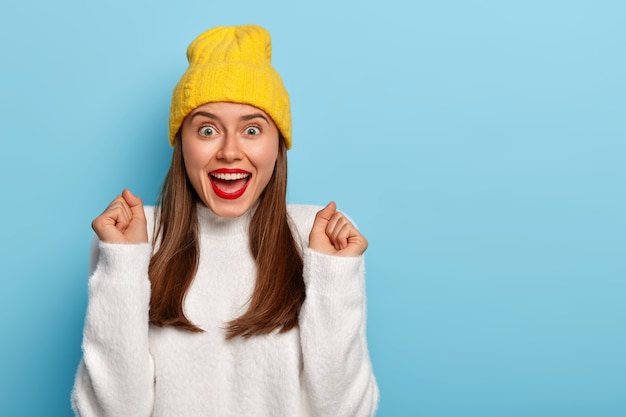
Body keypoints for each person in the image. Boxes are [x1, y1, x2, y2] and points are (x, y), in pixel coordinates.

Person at [71, 24, 379, 417]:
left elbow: (343, 412)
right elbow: (111, 412)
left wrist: (334, 276)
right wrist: (123, 265)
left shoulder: (315, 236)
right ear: (182, 141)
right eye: (207, 129)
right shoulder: (132, 237)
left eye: (252, 129)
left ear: (278, 144)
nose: (230, 152)